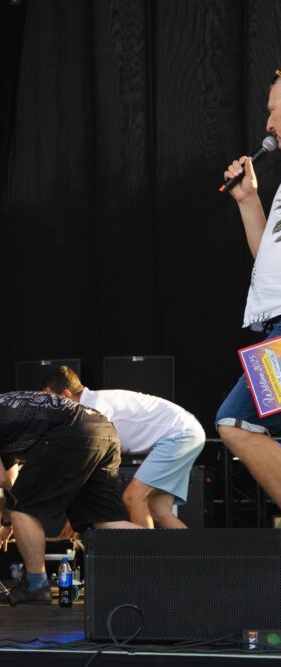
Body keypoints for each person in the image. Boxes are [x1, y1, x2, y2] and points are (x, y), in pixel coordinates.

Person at [0, 391, 139, 605]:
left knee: (21, 508)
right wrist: (4, 524)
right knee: (107, 521)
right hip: (101, 427)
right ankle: (170, 552)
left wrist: (8, 520)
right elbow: (7, 479)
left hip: (71, 430)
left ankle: (36, 586)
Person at [215, 69, 281, 507]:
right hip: (275, 326)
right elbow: (268, 261)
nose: (269, 124)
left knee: (236, 420)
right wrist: (248, 200)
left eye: (275, 111)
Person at [41, 366, 205, 528]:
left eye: (50, 399)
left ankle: (143, 547)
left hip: (180, 433)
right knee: (159, 511)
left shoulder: (92, 409)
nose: (48, 407)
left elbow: (87, 467)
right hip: (186, 430)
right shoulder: (92, 405)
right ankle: (195, 547)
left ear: (66, 395)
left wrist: (73, 518)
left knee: (133, 497)